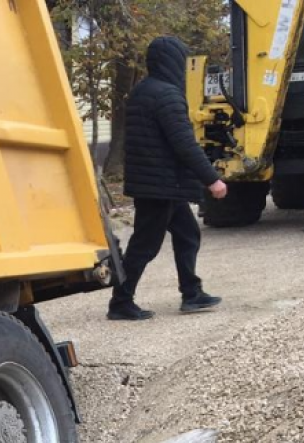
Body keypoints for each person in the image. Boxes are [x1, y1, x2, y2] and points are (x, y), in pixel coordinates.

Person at [109, 36, 228, 322]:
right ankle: (120, 302)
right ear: (173, 62)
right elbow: (184, 143)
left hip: (160, 184)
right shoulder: (168, 95)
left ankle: (192, 293)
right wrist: (212, 179)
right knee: (144, 245)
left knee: (188, 234)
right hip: (160, 185)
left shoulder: (142, 91)